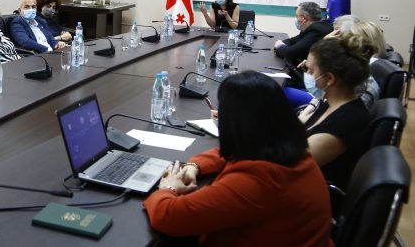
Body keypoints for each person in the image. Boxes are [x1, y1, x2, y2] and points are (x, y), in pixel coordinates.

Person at [143, 71, 332, 246]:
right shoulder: (288, 150)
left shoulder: (256, 182)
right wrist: (194, 166)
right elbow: (235, 152)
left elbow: (167, 216)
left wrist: (168, 187)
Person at [298, 32, 373, 189]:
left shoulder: (348, 121)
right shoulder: (331, 103)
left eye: (311, 71)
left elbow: (291, 165)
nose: (307, 75)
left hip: (312, 193)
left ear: (330, 79)